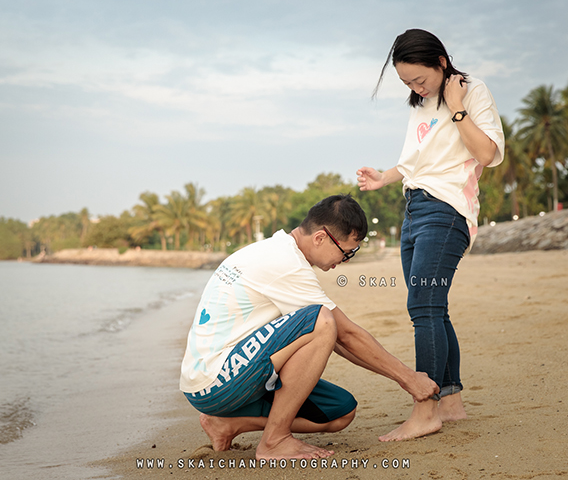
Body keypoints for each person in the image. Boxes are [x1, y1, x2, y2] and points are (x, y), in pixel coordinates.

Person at [180, 194, 439, 460]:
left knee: (340, 412)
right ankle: (274, 441)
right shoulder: (286, 263)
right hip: (217, 382)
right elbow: (344, 334)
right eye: (347, 251)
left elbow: (338, 339)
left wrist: (404, 377)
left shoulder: (273, 249)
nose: (346, 260)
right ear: (320, 238)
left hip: (216, 379)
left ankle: (227, 424)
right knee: (321, 319)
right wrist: (409, 379)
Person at [356, 29, 505, 441]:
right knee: (434, 308)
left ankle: (426, 411)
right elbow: (417, 160)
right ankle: (451, 402)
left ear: (441, 61)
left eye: (419, 80)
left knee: (423, 306)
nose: (415, 89)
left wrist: (457, 108)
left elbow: (488, 154)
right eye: (406, 84)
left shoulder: (471, 91)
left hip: (447, 210)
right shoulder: (421, 104)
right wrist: (384, 177)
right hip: (415, 208)